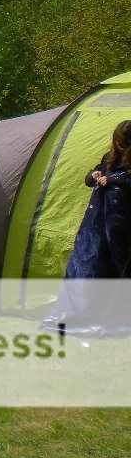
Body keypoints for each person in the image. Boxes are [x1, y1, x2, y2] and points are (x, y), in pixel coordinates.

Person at [43, 120, 131, 333]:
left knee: (119, 265)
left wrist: (114, 181)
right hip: (96, 223)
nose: (119, 144)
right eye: (117, 140)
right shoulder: (108, 158)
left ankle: (118, 315)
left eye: (124, 141)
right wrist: (95, 175)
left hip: (121, 225)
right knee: (86, 262)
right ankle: (79, 312)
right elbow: (88, 179)